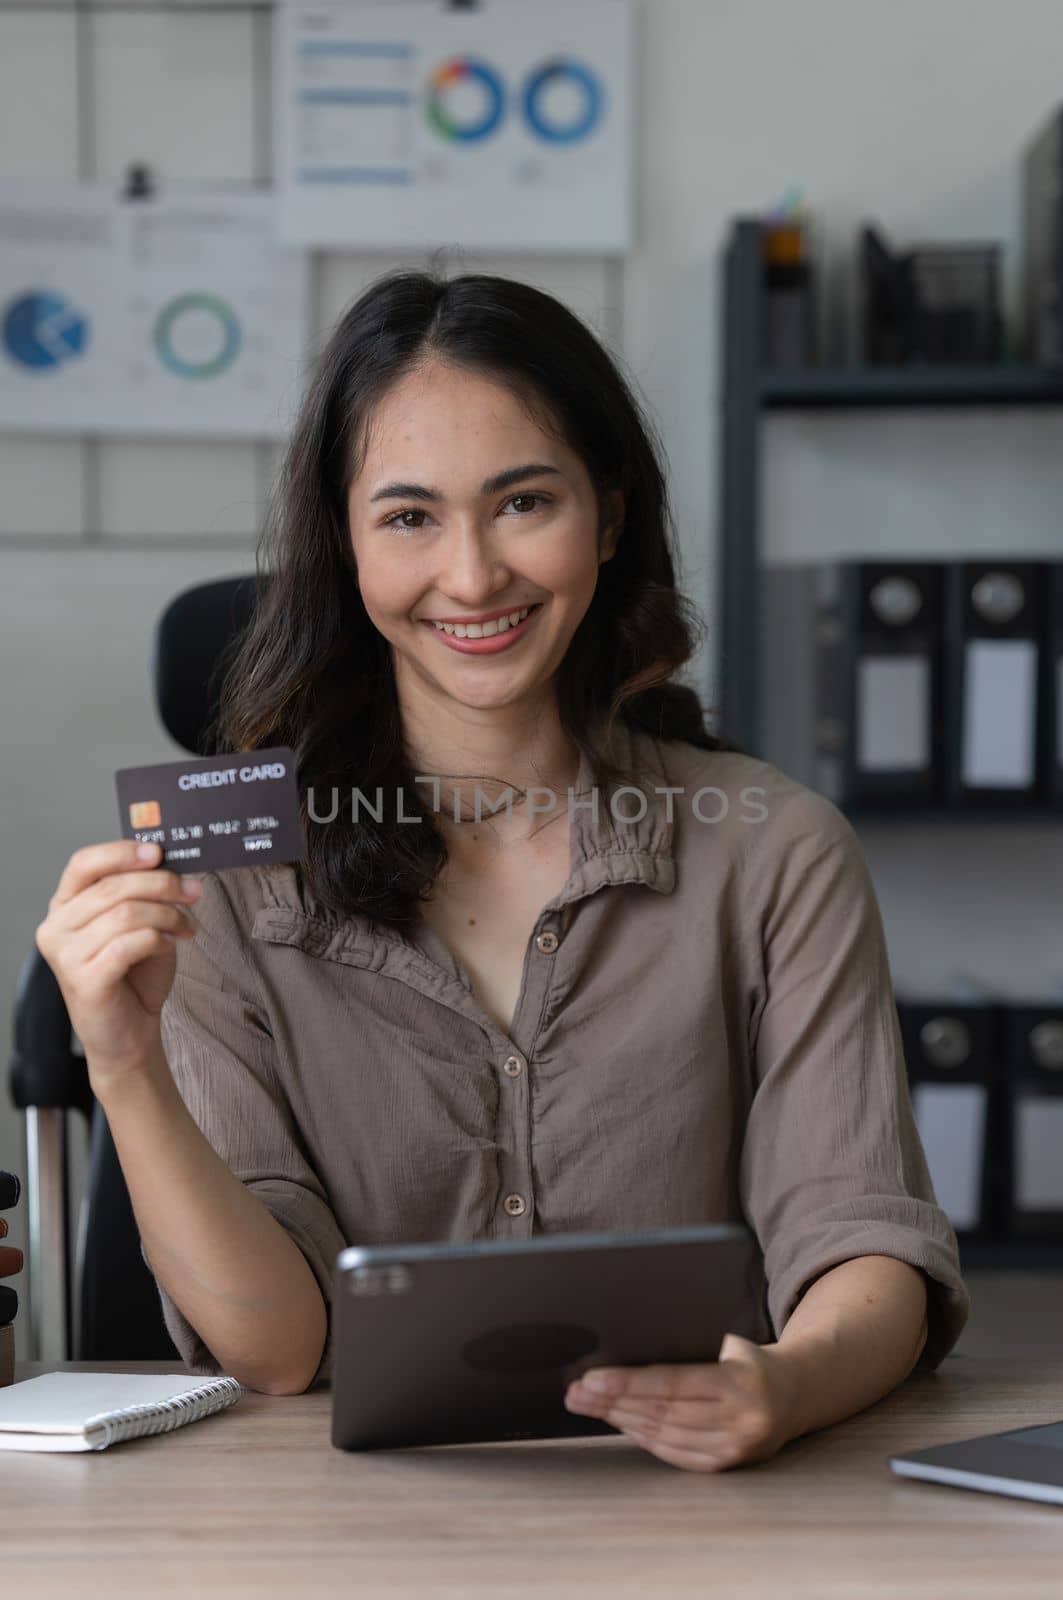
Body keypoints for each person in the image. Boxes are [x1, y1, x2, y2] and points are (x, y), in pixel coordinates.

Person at [35, 268, 968, 1474]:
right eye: (410, 517)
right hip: (332, 1530)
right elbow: (278, 1350)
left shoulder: (774, 850)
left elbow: (858, 1235)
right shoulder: (232, 884)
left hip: (698, 1516)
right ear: (344, 541)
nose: (472, 578)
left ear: (610, 515)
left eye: (523, 501)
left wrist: (786, 1387)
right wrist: (122, 1060)